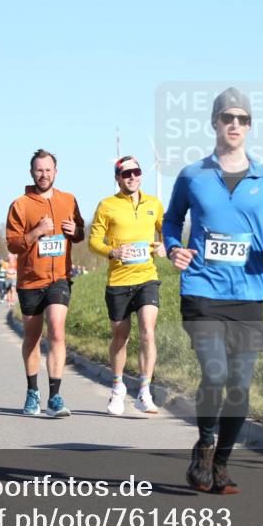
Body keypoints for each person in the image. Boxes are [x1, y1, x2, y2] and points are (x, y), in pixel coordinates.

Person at [163, 87, 263, 494]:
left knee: (240, 386)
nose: (236, 125)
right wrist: (175, 248)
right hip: (202, 289)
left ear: (250, 126)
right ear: (215, 123)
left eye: (243, 119)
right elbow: (172, 221)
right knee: (215, 371)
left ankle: (221, 463)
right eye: (229, 118)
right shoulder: (192, 175)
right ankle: (205, 442)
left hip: (247, 294)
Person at [6, 148, 85, 418]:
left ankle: (55, 395)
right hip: (30, 280)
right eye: (39, 170)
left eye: (48, 170)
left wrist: (76, 232)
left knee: (57, 329)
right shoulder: (20, 205)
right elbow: (14, 244)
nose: (44, 175)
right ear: (31, 172)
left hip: (59, 278)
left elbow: (80, 232)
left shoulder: (69, 200)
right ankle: (32, 392)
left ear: (56, 171)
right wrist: (37, 231)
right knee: (31, 336)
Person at [88, 155, 165, 415]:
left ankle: (145, 390)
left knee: (148, 332)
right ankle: (118, 388)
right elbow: (94, 241)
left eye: (137, 172)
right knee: (120, 338)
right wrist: (112, 252)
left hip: (147, 277)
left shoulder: (154, 203)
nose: (132, 177)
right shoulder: (107, 205)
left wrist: (165, 245)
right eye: (126, 173)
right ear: (118, 177)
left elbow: (168, 230)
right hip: (119, 280)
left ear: (141, 175)